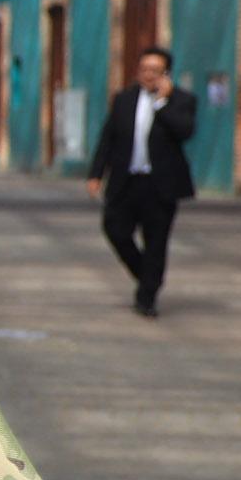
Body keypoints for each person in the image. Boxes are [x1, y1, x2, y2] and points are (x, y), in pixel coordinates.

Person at [85, 45, 194, 317]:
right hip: (126, 181)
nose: (148, 75)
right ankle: (147, 276)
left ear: (166, 74)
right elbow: (108, 138)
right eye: (144, 69)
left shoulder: (182, 100)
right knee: (115, 228)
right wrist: (96, 174)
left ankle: (147, 298)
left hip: (160, 185)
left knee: (156, 242)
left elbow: (185, 131)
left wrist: (161, 103)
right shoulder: (124, 99)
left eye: (155, 70)